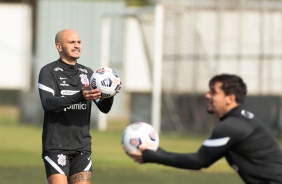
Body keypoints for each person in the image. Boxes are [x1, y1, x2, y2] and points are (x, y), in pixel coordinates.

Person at [129, 74, 282, 184]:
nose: (207, 95)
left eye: (213, 92)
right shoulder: (239, 121)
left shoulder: (232, 126)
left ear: (230, 98)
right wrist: (156, 152)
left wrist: (152, 156)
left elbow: (198, 161)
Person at [38, 29, 120, 184]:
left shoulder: (88, 73)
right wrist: (79, 96)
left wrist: (110, 93)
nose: (77, 46)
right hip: (56, 147)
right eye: (71, 42)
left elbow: (105, 108)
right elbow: (48, 103)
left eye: (79, 42)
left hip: (82, 147)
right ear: (59, 46)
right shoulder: (48, 71)